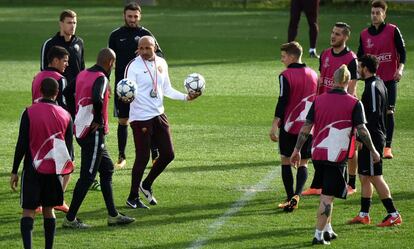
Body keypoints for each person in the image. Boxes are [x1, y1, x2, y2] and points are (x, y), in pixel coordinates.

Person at [291, 65, 380, 245]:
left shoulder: (318, 100)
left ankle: (328, 229)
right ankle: (318, 235)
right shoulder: (354, 103)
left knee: (327, 191)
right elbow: (362, 130)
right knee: (328, 196)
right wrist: (374, 150)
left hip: (318, 153)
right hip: (336, 156)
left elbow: (306, 128)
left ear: (333, 80)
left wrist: (297, 150)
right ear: (348, 81)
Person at [125, 36, 200, 209]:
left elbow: (166, 89)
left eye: (147, 48)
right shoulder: (133, 66)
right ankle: (132, 197)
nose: (143, 52)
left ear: (155, 47)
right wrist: (126, 99)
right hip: (141, 117)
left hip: (158, 114)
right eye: (141, 48)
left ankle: (146, 184)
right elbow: (127, 90)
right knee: (142, 157)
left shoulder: (161, 63)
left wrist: (185, 97)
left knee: (168, 154)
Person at [62, 48, 135, 228]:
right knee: (87, 177)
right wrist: (98, 120)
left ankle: (113, 215)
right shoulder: (101, 78)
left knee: (108, 168)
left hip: (81, 128)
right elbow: (97, 97)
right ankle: (70, 219)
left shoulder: (83, 74)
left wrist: (76, 113)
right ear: (110, 62)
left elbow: (66, 93)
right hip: (93, 133)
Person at [11, 78, 74, 249]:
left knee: (28, 211)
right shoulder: (66, 115)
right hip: (54, 171)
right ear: (57, 93)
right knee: (49, 210)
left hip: (33, 170)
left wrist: (15, 170)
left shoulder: (29, 112)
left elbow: (22, 143)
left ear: (40, 91)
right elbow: (68, 150)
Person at [303, 22, 359, 196]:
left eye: (338, 34)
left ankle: (351, 183)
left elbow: (352, 88)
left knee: (348, 147)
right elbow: (322, 79)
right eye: (333, 32)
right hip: (324, 106)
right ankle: (317, 184)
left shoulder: (351, 59)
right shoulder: (325, 54)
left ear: (345, 37)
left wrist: (349, 110)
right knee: (320, 143)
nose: (333, 36)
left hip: (343, 108)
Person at [347, 55, 402, 227]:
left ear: (365, 68)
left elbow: (371, 117)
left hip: (372, 137)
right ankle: (364, 214)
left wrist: (364, 139)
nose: (357, 70)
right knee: (364, 176)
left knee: (375, 177)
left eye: (359, 67)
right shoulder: (379, 83)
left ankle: (393, 214)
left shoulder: (371, 87)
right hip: (374, 135)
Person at [108, 3, 164, 169]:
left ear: (140, 16)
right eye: (129, 16)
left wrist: (147, 53)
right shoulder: (116, 35)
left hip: (144, 86)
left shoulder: (145, 34)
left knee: (149, 118)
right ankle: (122, 156)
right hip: (123, 87)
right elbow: (108, 60)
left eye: (135, 16)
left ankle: (155, 154)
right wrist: (106, 82)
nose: (132, 19)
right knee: (123, 120)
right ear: (124, 15)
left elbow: (160, 55)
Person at [269, 41, 317, 212]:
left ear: (291, 56)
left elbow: (282, 101)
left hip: (289, 126)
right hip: (308, 127)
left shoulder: (285, 75)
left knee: (285, 160)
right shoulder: (313, 74)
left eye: (283, 57)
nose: (282, 60)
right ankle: (298, 194)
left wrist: (275, 124)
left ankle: (290, 197)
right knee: (303, 163)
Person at [357, 0, 406, 159]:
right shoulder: (364, 34)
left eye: (378, 13)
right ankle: (370, 142)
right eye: (373, 13)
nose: (375, 15)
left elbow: (402, 52)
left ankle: (387, 147)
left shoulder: (393, 30)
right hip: (371, 83)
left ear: (384, 14)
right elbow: (360, 57)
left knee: (389, 112)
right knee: (371, 113)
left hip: (389, 80)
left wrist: (400, 69)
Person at [32, 45, 72, 213]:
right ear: (55, 60)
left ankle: (38, 202)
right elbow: (62, 108)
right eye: (64, 61)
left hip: (36, 125)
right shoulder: (60, 79)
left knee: (40, 164)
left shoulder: (37, 77)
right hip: (56, 129)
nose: (66, 64)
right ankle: (58, 199)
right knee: (66, 164)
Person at [41, 9, 85, 90]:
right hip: (57, 90)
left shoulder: (79, 42)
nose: (73, 26)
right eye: (69, 23)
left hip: (75, 91)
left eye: (74, 23)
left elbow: (82, 68)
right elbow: (44, 70)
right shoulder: (49, 44)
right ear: (61, 24)